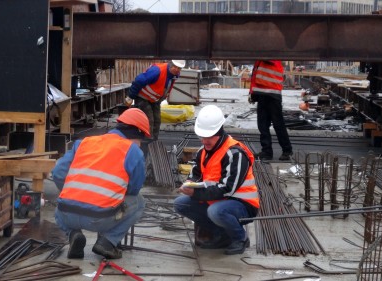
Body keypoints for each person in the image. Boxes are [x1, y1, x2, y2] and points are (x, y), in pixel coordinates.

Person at [52, 108, 150, 260]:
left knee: (61, 203)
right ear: (136, 135)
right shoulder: (132, 151)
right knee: (139, 202)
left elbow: (58, 172)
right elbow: (134, 189)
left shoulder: (84, 143)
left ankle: (73, 235)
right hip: (100, 219)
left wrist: (73, 194)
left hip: (67, 214)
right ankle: (107, 242)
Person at [174, 105, 260, 255]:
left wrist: (195, 194)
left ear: (219, 132)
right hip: (216, 200)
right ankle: (221, 234)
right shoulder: (202, 152)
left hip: (242, 205)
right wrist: (189, 184)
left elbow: (227, 189)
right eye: (202, 136)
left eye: (209, 136)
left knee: (215, 211)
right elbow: (196, 174)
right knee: (180, 204)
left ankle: (240, 239)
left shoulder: (235, 153)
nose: (205, 140)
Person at [126, 60, 185, 141]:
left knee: (157, 120)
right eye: (175, 67)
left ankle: (154, 141)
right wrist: (130, 97)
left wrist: (161, 99)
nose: (177, 70)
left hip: (154, 100)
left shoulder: (174, 74)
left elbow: (165, 86)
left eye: (179, 68)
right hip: (142, 98)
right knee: (149, 121)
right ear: (170, 65)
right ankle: (146, 142)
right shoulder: (157, 71)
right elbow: (139, 80)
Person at [248, 60, 293, 161]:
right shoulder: (260, 59)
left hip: (273, 95)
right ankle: (267, 152)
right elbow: (256, 75)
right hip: (263, 95)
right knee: (262, 125)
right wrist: (253, 93)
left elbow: (267, 60)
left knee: (278, 124)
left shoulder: (272, 54)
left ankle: (287, 151)